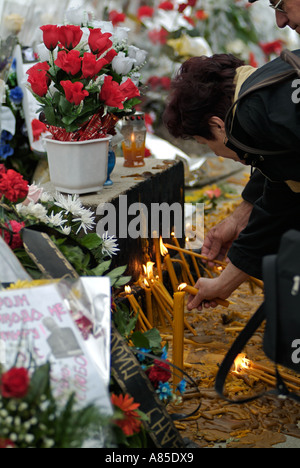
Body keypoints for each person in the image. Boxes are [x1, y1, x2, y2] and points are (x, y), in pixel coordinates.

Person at [163, 49, 300, 311]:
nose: (216, 153)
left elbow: (283, 204)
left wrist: (224, 282)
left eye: (207, 143)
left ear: (217, 125)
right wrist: (239, 218)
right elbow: (282, 177)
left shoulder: (256, 116)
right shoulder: (259, 90)